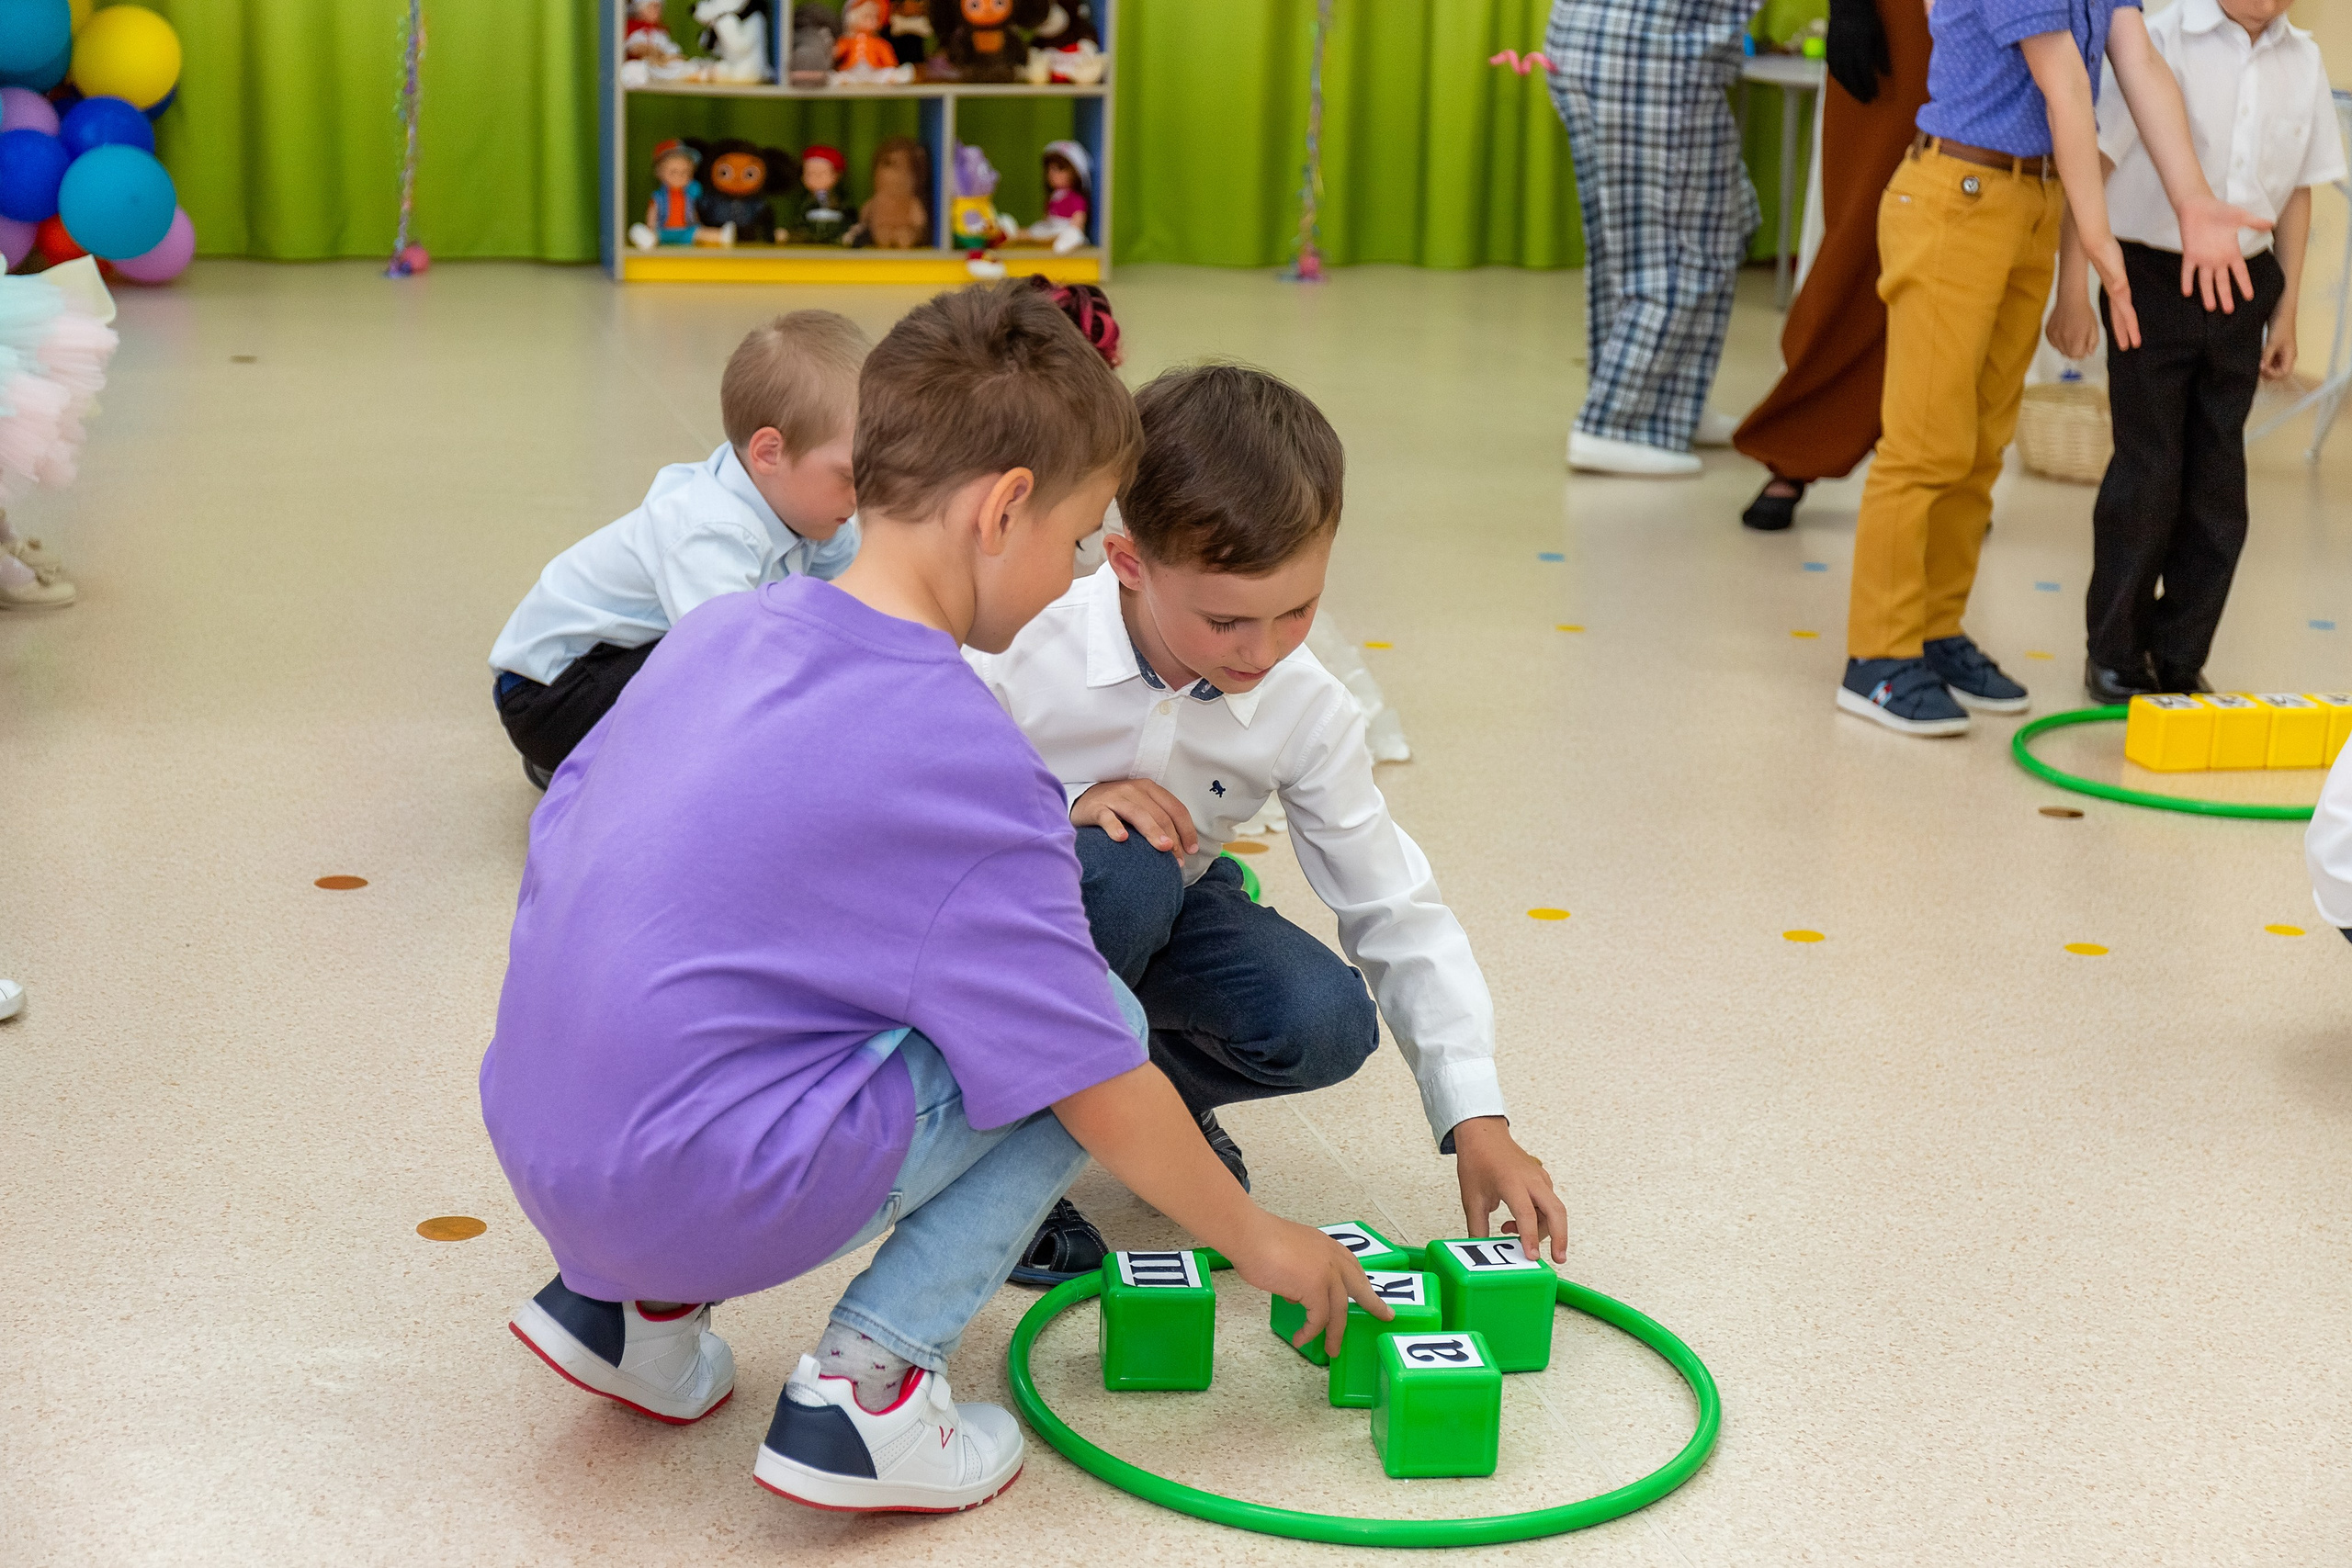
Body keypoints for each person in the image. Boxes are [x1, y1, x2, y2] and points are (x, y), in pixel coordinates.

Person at [480, 282, 1388, 1515]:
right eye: (1075, 540)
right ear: (1004, 508)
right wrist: (1258, 1234)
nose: (1075, 571)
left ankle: (629, 1316)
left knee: (796, 993)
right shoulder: (966, 753)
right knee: (1102, 1031)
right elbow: (1093, 1074)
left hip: (545, 1147)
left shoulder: (721, 632)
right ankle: (872, 1396)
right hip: (685, 1181)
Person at [968, 364, 1567, 1285]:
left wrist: (1476, 1115)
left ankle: (1149, 1101)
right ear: (1127, 560)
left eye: (1298, 609)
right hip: (993, 925)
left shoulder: (1306, 704)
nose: (1266, 650)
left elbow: (1392, 906)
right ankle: (1001, 1163)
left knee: (1324, 1021)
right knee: (1120, 872)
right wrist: (1055, 807)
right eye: (1227, 621)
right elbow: (895, 803)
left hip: (1165, 906)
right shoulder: (1020, 640)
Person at [1836, 0, 2270, 738]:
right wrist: (2100, 245)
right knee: (1925, 445)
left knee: (1979, 449)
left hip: (2028, 203)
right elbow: (2066, 85)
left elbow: (2140, 66)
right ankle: (1876, 657)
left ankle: (1935, 629)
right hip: (1956, 200)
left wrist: (2194, 199)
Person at [2052, 0, 2341, 703]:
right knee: (2147, 474)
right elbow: (2091, 164)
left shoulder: (2303, 60)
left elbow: (2298, 194)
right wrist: (2070, 286)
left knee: (2219, 493)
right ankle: (2115, 649)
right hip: (2151, 281)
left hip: (2244, 289)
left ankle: (2179, 652)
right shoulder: (2153, 41)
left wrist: (2287, 310)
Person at [488, 311, 865, 786]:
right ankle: (581, 767)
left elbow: (859, 598)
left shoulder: (812, 508)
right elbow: (729, 666)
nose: (863, 496)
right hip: (549, 696)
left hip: (611, 662)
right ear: (769, 453)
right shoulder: (710, 531)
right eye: (851, 476)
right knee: (708, 679)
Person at [1733, 0, 1934, 531]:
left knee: (1965, 246)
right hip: (1898, 20)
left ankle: (1941, 468)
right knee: (1860, 232)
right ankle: (1797, 445)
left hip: (1999, 24)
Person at [1544, 0, 1760, 477]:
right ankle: (1613, 424)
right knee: (1685, 251)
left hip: (1597, 40)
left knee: (1639, 240)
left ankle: (1671, 402)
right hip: (1652, 54)